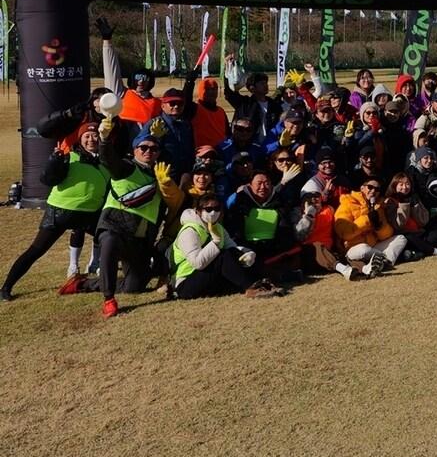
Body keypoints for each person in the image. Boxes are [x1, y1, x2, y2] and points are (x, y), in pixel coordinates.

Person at [2, 122, 109, 300]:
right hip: (59, 214)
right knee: (36, 250)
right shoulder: (69, 157)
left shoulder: (104, 163)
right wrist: (54, 161)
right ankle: (6, 288)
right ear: (80, 139)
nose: (91, 140)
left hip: (89, 215)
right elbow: (48, 179)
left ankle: (119, 277)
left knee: (112, 241)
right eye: (87, 136)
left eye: (95, 136)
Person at [96, 123, 183, 317]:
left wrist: (159, 138)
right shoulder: (126, 168)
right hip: (115, 228)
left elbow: (166, 158)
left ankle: (86, 283)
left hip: (140, 239)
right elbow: (108, 159)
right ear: (134, 150)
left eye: (153, 149)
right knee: (109, 244)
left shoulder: (159, 173)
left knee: (133, 286)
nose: (148, 152)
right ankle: (108, 298)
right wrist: (103, 139)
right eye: (143, 148)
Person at [170, 192, 283, 299]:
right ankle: (251, 288)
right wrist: (216, 242)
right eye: (208, 209)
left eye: (217, 209)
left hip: (208, 277)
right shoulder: (190, 231)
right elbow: (198, 263)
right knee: (223, 256)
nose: (213, 213)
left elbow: (232, 247)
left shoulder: (218, 227)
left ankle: (264, 282)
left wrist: (246, 252)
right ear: (198, 211)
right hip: (186, 283)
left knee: (234, 254)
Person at [334, 176, 408, 275]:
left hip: (373, 247)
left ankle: (383, 263)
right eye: (370, 187)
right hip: (353, 248)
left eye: (377, 189)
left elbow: (387, 235)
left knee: (400, 238)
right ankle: (384, 261)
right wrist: (367, 220)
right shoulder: (347, 203)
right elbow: (343, 232)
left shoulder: (378, 206)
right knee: (364, 249)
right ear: (362, 188)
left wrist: (379, 227)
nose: (373, 191)